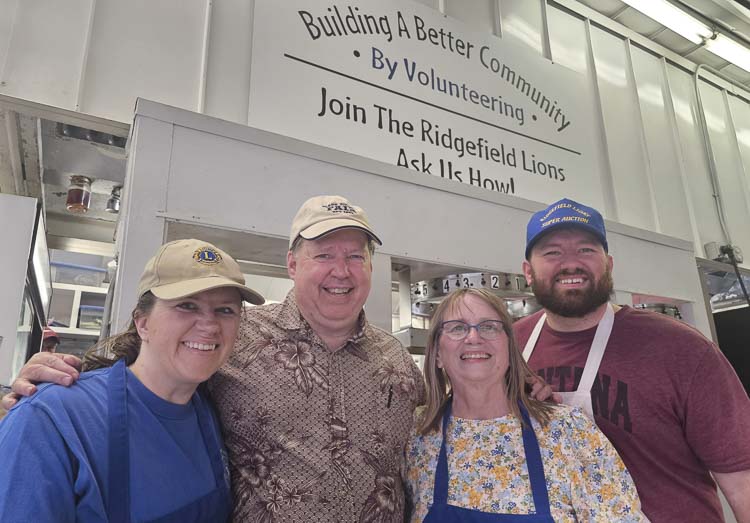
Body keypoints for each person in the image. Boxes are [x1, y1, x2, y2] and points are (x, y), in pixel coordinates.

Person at [4, 195, 555, 521]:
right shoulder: (234, 333)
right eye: (323, 255)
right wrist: (45, 377)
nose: (340, 271)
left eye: (354, 256)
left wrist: (518, 388)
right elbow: (143, 359)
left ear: (369, 267)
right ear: (293, 264)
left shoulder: (396, 361)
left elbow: (453, 403)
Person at [515, 197, 750, 522]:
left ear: (609, 264)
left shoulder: (681, 349)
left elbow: (742, 481)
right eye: (552, 252)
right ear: (528, 271)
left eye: (586, 250)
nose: (570, 264)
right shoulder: (509, 346)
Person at [0, 238, 264, 522]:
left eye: (225, 310)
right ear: (143, 323)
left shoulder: (214, 408)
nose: (210, 326)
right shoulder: (52, 417)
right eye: (187, 305)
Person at [405, 288, 646, 522]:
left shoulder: (568, 431)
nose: (473, 338)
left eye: (489, 327)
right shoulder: (417, 434)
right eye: (457, 328)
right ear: (436, 353)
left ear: (510, 348)